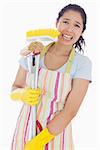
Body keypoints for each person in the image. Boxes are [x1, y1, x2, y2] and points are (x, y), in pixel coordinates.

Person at [10, 4, 92, 150]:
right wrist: (22, 94)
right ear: (57, 23)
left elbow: (71, 110)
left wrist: (40, 140)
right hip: (25, 128)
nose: (69, 29)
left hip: (55, 135)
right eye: (65, 22)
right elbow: (15, 87)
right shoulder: (34, 52)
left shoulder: (82, 63)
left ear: (82, 32)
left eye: (77, 25)